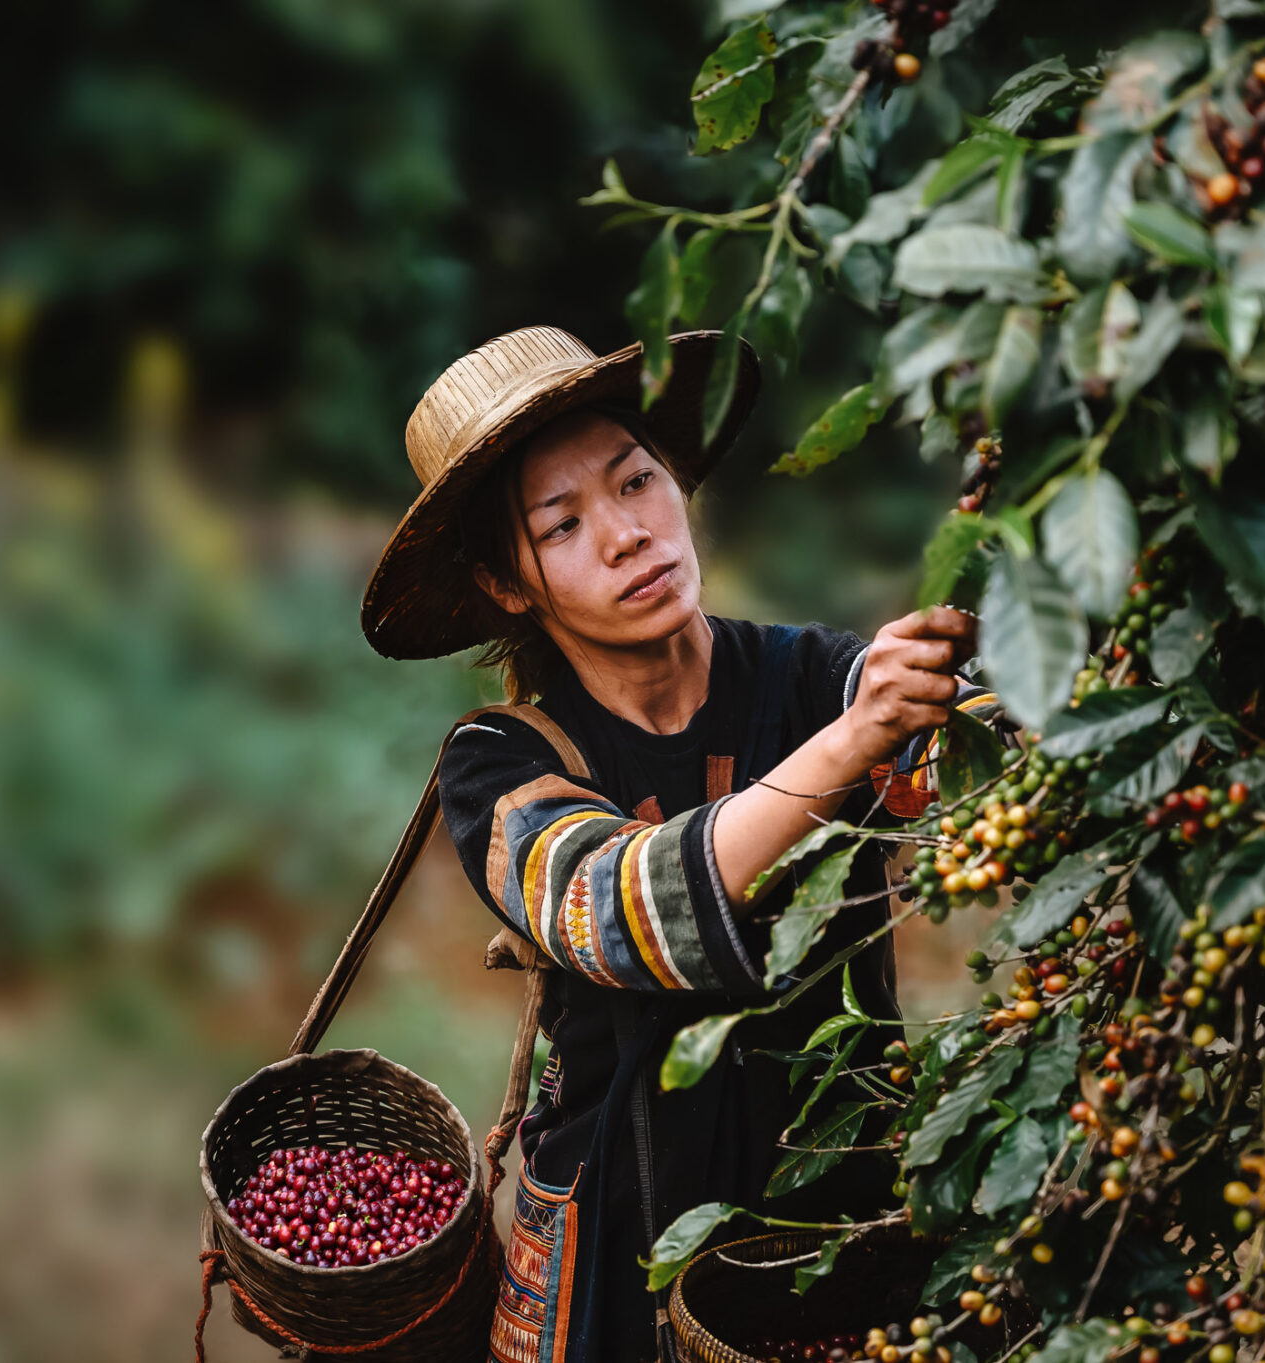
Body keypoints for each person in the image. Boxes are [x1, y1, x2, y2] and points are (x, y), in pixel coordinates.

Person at [360, 325, 994, 1363]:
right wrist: (855, 738)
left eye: (635, 481)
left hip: (831, 1225)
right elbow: (618, 908)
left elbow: (976, 767)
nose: (624, 535)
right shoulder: (500, 762)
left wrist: (951, 690)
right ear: (510, 586)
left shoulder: (808, 679)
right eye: (561, 524)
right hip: (613, 1248)